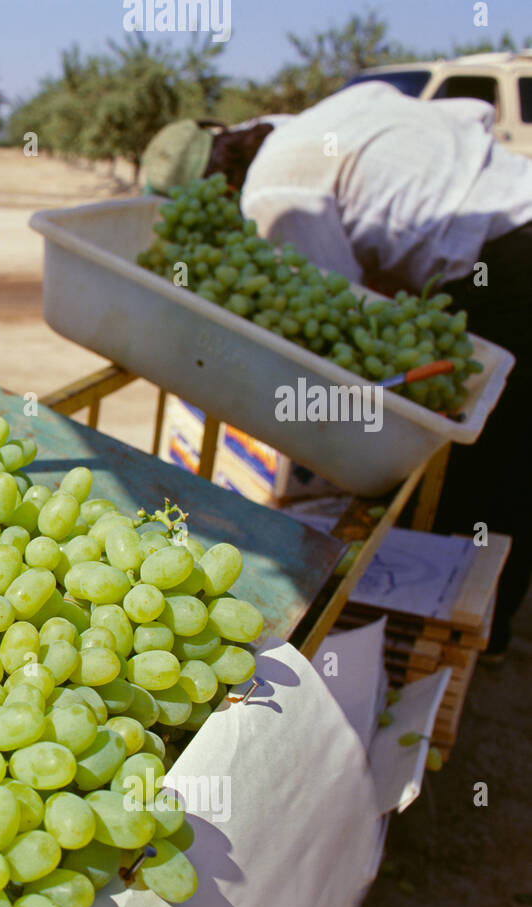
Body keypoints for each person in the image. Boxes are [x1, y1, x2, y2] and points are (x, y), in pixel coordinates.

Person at [141, 84, 532, 656]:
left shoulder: (280, 191)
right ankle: (477, 616)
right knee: (512, 444)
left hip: (509, 259)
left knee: (489, 459)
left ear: (218, 188)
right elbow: (463, 118)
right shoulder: (308, 124)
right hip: (513, 201)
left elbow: (332, 306)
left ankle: (471, 634)